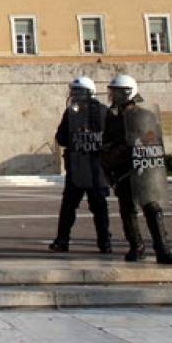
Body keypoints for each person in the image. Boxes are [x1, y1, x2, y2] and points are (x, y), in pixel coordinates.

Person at [101, 74, 172, 265]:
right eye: (113, 93)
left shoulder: (144, 115)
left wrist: (137, 143)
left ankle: (162, 248)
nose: (114, 97)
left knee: (152, 207)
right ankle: (137, 246)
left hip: (142, 167)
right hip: (123, 170)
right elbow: (107, 141)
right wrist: (110, 158)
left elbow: (152, 135)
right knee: (128, 210)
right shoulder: (112, 118)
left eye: (118, 93)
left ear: (129, 93)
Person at [49, 76, 112, 254]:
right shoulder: (104, 111)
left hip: (79, 167)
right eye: (73, 92)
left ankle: (63, 241)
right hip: (96, 168)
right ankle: (104, 242)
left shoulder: (72, 113)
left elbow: (61, 138)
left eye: (77, 92)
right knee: (99, 208)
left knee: (70, 207)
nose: (75, 95)